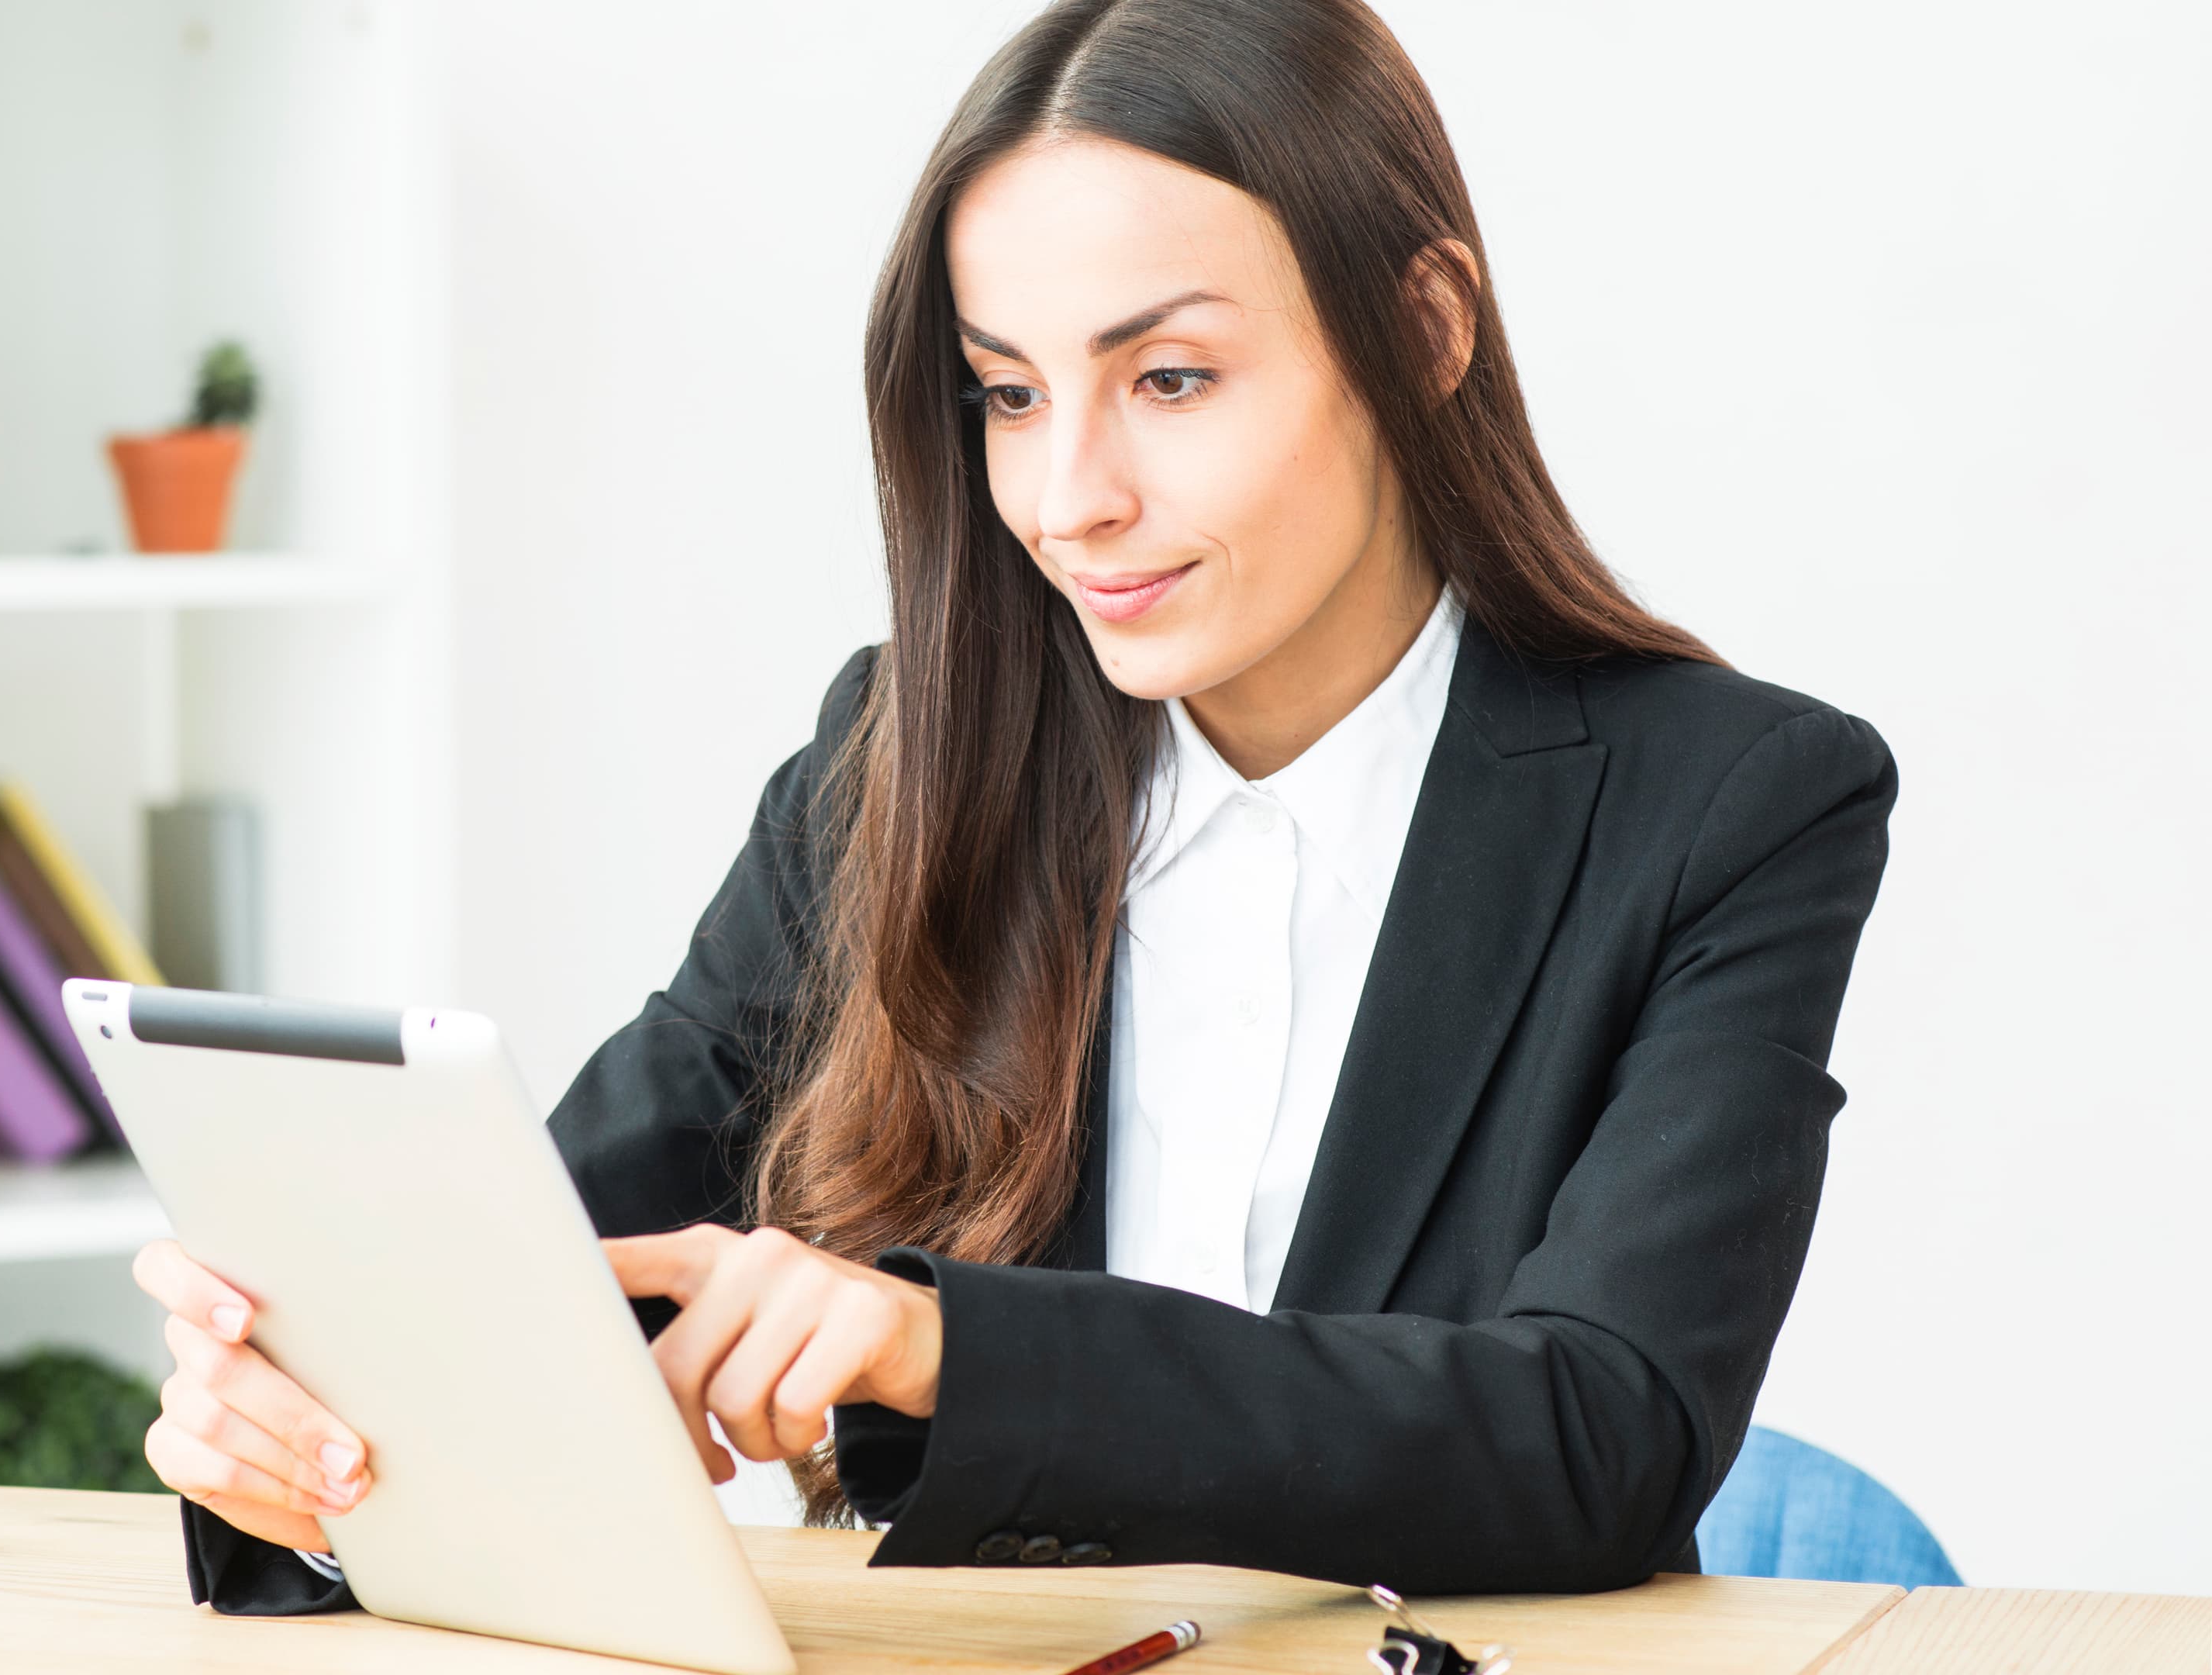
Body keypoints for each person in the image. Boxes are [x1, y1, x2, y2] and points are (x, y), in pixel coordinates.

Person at [133, 0, 1895, 1613]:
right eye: (1009, 394)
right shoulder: (901, 759)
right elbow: (554, 1259)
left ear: (1424, 326)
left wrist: (943, 1348)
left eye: (1172, 380)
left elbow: (1598, 1431)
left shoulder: (1730, 807)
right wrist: (299, 1435)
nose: (1069, 500)